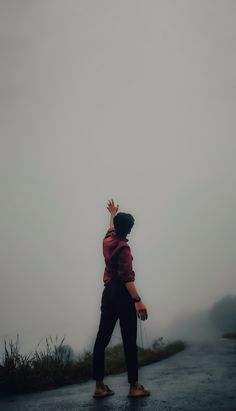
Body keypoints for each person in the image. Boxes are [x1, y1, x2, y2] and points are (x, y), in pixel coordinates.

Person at [92, 199, 150, 398]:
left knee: (101, 339)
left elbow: (111, 228)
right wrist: (138, 300)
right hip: (122, 294)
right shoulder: (124, 249)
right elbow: (127, 279)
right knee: (129, 340)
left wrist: (112, 213)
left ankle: (99, 386)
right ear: (129, 230)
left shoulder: (108, 239)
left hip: (108, 294)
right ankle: (134, 387)